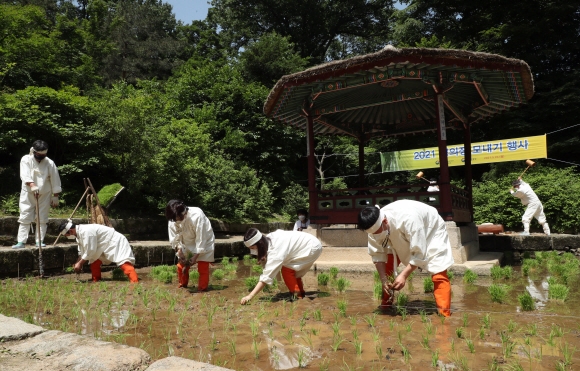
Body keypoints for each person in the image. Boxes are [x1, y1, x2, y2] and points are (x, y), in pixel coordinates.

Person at [358, 200, 454, 317]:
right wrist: (384, 281)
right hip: (395, 232)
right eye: (374, 234)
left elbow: (419, 253)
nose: (376, 235)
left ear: (385, 221)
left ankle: (444, 314)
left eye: (378, 232)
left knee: (438, 273)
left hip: (430, 229)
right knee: (387, 267)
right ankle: (386, 305)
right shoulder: (373, 229)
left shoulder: (409, 218)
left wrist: (403, 275)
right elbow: (377, 255)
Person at [240, 228, 322, 304]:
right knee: (292, 270)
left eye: (253, 248)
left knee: (287, 270)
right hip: (309, 241)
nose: (252, 250)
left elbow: (266, 277)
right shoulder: (268, 238)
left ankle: (298, 296)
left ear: (260, 244)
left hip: (311, 247)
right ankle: (300, 292)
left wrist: (250, 296)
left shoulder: (276, 252)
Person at [12, 140, 61, 249]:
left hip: (44, 193)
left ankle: (39, 241)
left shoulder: (50, 163)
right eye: (38, 155)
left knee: (42, 218)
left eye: (43, 155)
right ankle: (21, 241)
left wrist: (56, 196)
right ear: (34, 152)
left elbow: (55, 179)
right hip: (28, 192)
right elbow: (24, 175)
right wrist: (32, 185)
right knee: (25, 215)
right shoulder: (26, 159)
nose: (40, 157)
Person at [58, 221, 138, 282]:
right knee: (94, 262)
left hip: (115, 241)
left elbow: (90, 250)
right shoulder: (78, 235)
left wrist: (80, 263)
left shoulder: (86, 231)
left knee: (124, 264)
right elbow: (82, 252)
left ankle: (135, 283)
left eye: (67, 235)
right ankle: (96, 280)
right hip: (102, 245)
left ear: (71, 231)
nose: (68, 237)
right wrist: (77, 263)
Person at [166, 200, 215, 291]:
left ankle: (202, 289)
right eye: (175, 219)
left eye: (179, 218)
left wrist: (196, 255)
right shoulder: (172, 219)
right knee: (181, 265)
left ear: (183, 213)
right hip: (185, 243)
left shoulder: (197, 215)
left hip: (204, 241)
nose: (176, 221)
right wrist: (179, 251)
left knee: (203, 267)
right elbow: (174, 238)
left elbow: (201, 238)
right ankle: (182, 285)